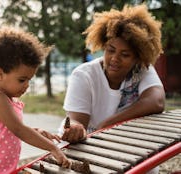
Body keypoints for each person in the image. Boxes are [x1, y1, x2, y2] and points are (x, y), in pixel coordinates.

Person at [60, 4, 165, 174]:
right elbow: (77, 121)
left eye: (125, 55)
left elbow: (156, 101)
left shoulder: (142, 69)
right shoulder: (83, 75)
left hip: (122, 143)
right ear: (104, 46)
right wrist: (75, 128)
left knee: (149, 168)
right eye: (111, 50)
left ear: (138, 57)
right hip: (89, 145)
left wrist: (107, 124)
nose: (115, 59)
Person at [0, 27, 70, 174]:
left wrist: (37, 132)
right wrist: (52, 147)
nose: (27, 85)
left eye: (29, 80)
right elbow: (18, 129)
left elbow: (11, 130)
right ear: (0, 74)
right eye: (22, 80)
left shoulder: (8, 100)